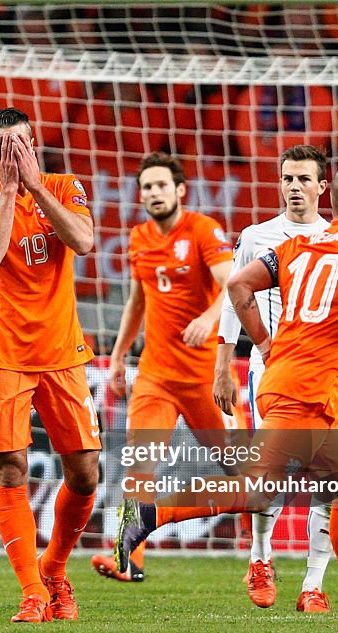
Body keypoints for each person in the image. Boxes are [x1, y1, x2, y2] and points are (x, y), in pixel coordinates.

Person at [116, 165, 338, 633]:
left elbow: (237, 286)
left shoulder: (294, 246)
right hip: (310, 388)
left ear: (329, 199)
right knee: (259, 489)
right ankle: (153, 511)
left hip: (281, 374)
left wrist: (263, 344)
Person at [213, 145, 338, 613]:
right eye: (287, 179)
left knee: (334, 482)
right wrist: (225, 366)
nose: (294, 187)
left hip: (330, 370)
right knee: (273, 477)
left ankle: (313, 584)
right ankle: (261, 558)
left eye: (304, 179)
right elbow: (231, 299)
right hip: (275, 369)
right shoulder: (258, 236)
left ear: (324, 187)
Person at [0, 107, 100, 623]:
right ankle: (33, 593)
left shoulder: (65, 187)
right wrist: (9, 192)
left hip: (63, 353)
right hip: (5, 355)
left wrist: (36, 188)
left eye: (21, 144)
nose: (14, 154)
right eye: (3, 148)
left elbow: (84, 243)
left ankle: (55, 567)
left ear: (35, 142)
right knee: (10, 469)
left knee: (85, 473)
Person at [88, 151, 239, 583]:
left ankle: (259, 558)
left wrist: (208, 319)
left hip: (206, 378)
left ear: (179, 190)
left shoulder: (203, 230)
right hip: (155, 376)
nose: (154, 193)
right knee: (140, 463)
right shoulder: (139, 237)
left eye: (161, 185)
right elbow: (138, 299)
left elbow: (233, 285)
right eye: (147, 187)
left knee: (239, 469)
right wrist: (118, 356)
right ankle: (128, 560)